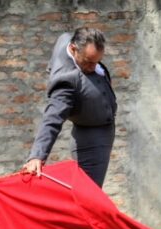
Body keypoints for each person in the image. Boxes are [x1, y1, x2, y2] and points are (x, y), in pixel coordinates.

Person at [22, 27, 117, 187]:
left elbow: (63, 38)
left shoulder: (66, 39)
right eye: (88, 61)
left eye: (97, 61)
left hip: (98, 128)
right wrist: (37, 156)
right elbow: (52, 118)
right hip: (92, 139)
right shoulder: (66, 82)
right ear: (73, 49)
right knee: (89, 195)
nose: (94, 67)